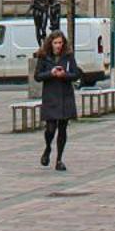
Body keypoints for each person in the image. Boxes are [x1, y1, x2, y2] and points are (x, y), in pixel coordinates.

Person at [34, 29, 80, 171]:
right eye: (55, 43)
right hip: (51, 96)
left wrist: (64, 75)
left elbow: (76, 74)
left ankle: (59, 159)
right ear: (50, 43)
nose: (58, 45)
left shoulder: (68, 56)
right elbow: (37, 76)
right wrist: (51, 73)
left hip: (65, 96)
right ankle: (48, 148)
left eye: (60, 42)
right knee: (50, 128)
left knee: (62, 128)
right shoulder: (44, 57)